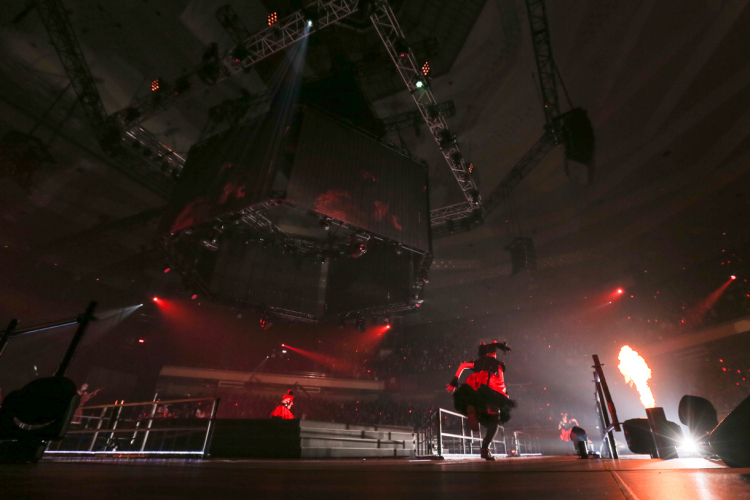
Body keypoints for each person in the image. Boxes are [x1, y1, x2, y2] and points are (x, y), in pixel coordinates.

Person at [447, 341, 515, 461]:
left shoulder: (476, 362)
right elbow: (501, 380)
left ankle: (475, 411)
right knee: (495, 420)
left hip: (473, 386)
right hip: (490, 386)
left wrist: (455, 379)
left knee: (478, 407)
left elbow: (462, 365)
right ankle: (485, 448)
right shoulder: (497, 363)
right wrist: (504, 395)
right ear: (494, 353)